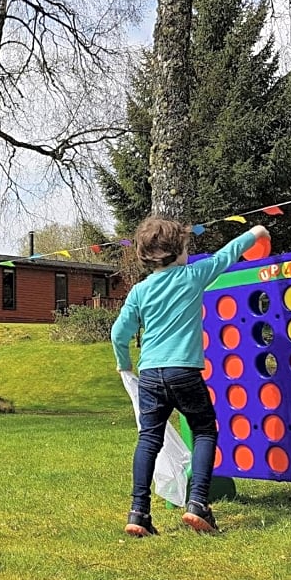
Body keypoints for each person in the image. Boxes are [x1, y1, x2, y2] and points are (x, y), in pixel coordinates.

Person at [111, 217, 269, 537]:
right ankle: (197, 504)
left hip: (151, 374)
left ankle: (138, 512)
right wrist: (256, 233)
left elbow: (118, 334)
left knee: (149, 439)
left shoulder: (139, 291)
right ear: (178, 251)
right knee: (204, 431)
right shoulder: (192, 276)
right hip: (184, 372)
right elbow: (226, 255)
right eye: (186, 246)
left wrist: (124, 364)